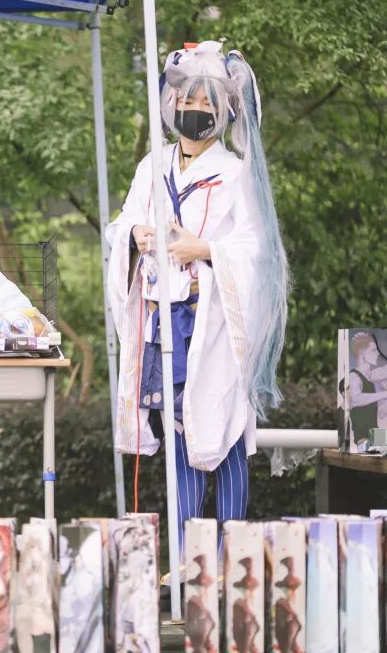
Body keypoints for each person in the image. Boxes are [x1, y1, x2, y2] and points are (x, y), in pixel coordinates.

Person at [105, 41, 289, 547]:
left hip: (214, 320)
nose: (196, 111)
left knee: (223, 431)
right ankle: (189, 561)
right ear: (172, 104)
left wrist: (203, 248)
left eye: (208, 103)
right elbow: (121, 223)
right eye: (188, 101)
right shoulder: (153, 166)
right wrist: (135, 234)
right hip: (163, 320)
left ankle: (232, 558)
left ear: (225, 110)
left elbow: (257, 249)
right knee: (178, 432)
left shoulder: (237, 172)